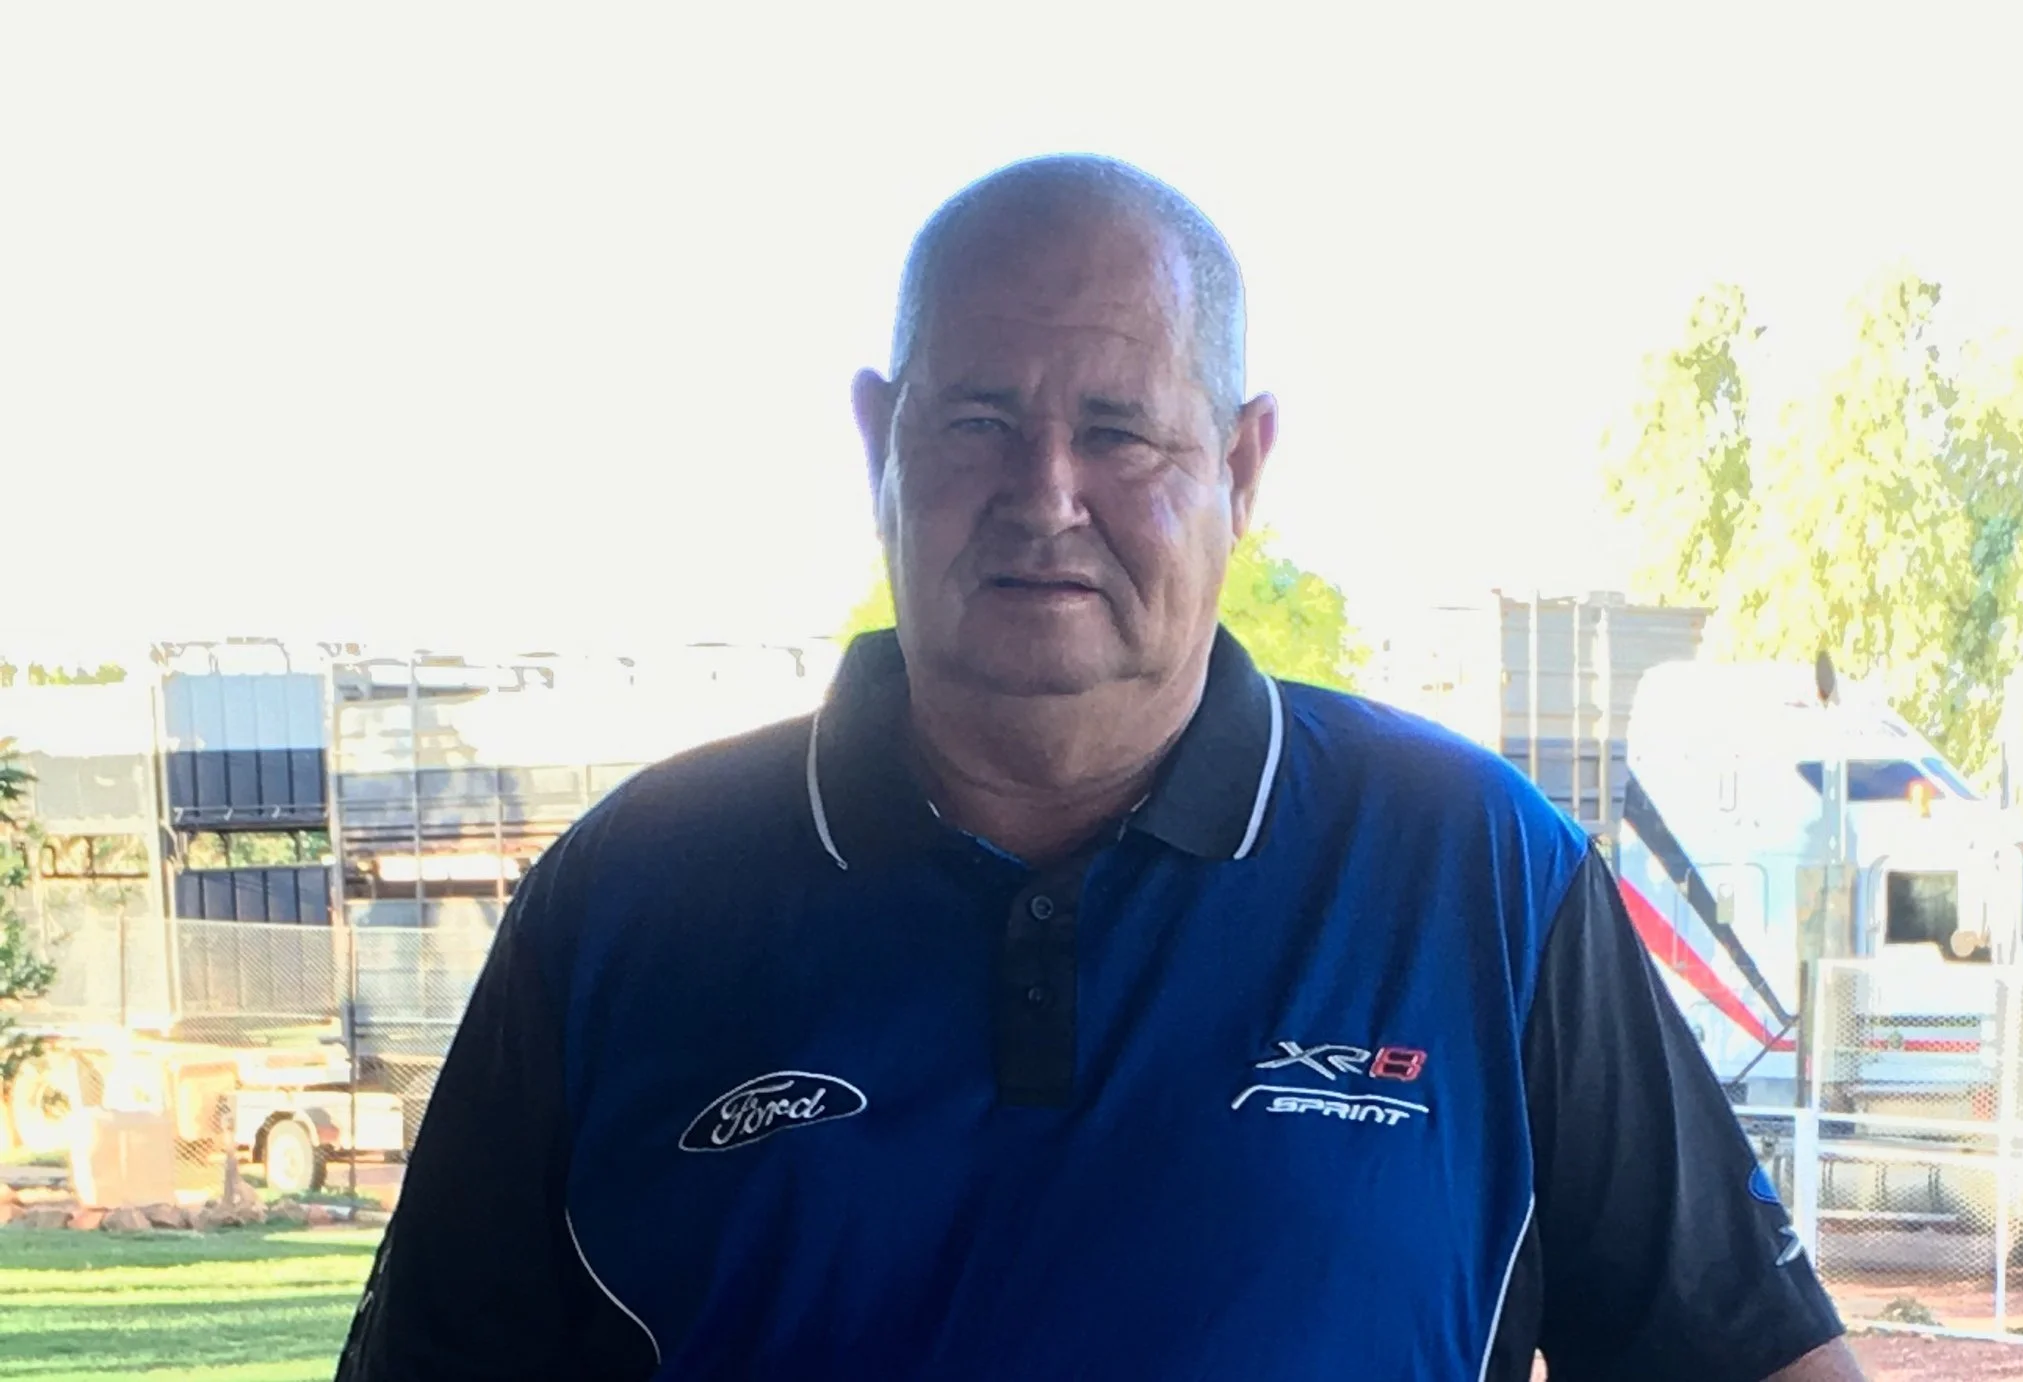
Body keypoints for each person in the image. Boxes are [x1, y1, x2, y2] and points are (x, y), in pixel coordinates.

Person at [334, 154, 1862, 1382]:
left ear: (1243, 466)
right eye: (980, 417)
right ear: (882, 441)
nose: (1044, 493)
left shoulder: (1477, 875)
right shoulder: (625, 905)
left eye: (1121, 431)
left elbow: (1748, 1354)